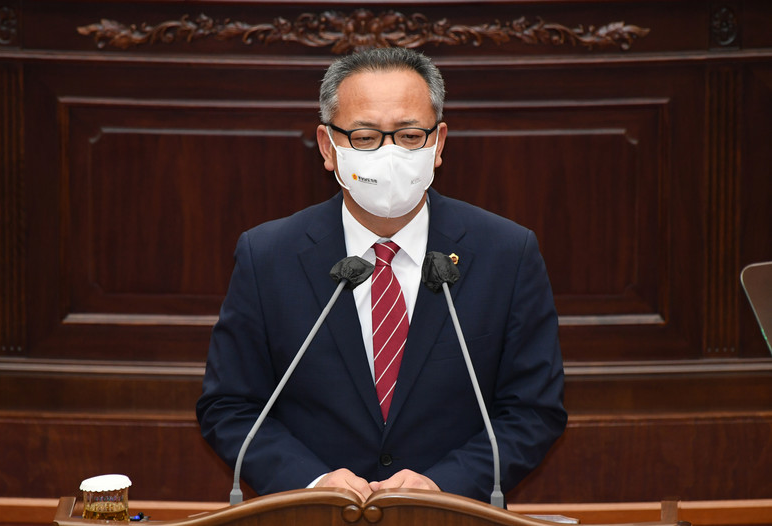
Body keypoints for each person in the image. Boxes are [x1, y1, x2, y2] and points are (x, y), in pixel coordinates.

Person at [196, 47, 567, 503]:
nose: (390, 154)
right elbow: (229, 407)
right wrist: (312, 484)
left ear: (438, 143)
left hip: (452, 516)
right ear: (328, 147)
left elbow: (534, 411)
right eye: (366, 137)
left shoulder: (507, 254)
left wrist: (443, 486)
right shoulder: (268, 256)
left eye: (410, 136)